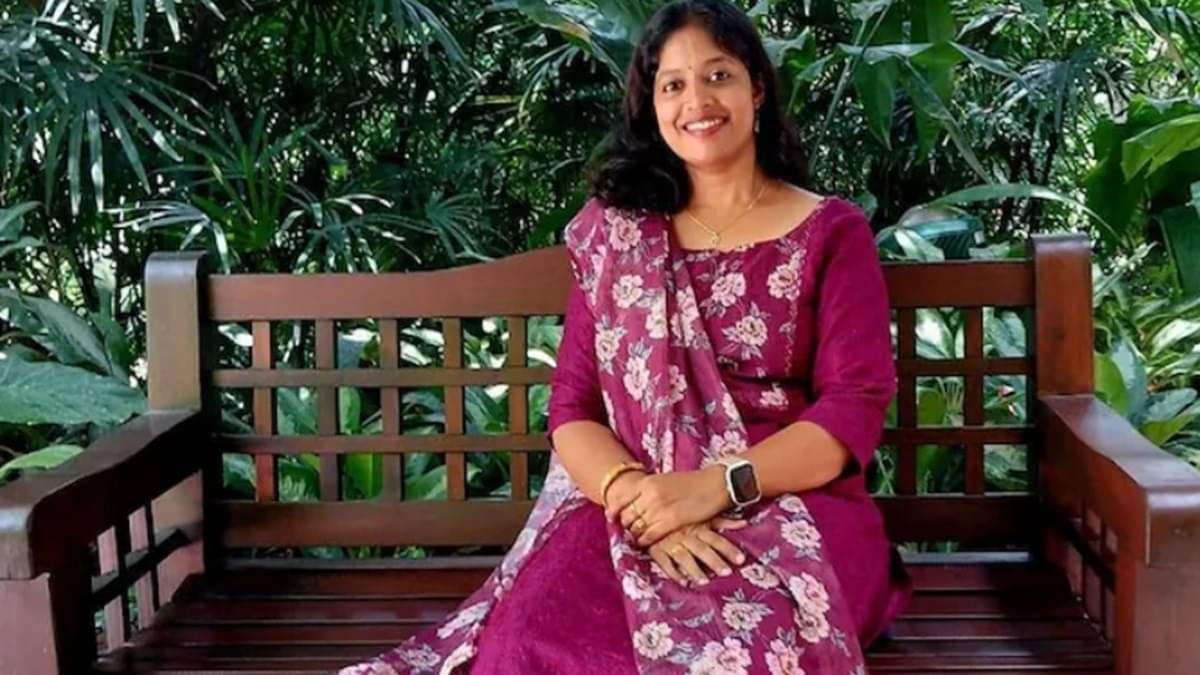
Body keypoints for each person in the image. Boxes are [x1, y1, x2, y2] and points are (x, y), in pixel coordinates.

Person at [341, 1, 910, 672]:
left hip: (789, 499)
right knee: (524, 645)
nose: (697, 101)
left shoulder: (831, 233)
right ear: (652, 107)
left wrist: (711, 488)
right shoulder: (621, 237)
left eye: (718, 75)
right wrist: (641, 502)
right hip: (635, 495)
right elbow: (573, 408)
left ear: (756, 88)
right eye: (673, 84)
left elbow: (851, 409)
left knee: (731, 653)